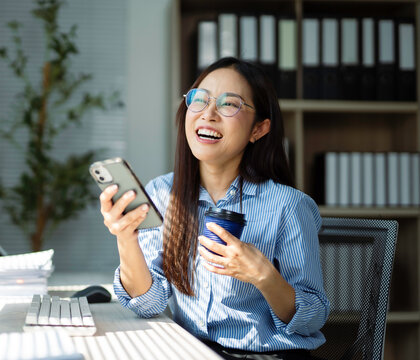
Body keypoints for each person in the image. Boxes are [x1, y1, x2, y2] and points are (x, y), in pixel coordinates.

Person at [98, 57, 329, 360]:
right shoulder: (162, 194)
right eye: (199, 99)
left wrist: (264, 276)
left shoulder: (288, 206)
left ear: (258, 129)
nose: (208, 114)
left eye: (229, 104)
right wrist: (126, 237)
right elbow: (148, 303)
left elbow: (313, 319)